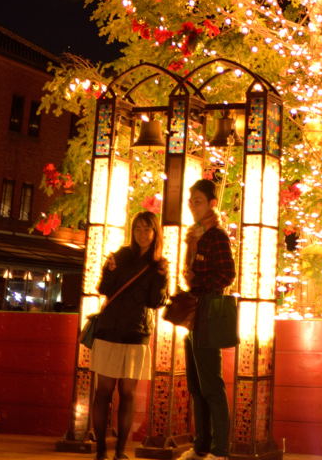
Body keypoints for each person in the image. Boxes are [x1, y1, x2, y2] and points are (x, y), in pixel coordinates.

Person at [90, 211, 167, 460]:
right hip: (110, 329)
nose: (142, 234)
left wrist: (162, 279)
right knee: (103, 391)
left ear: (155, 233)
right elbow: (104, 289)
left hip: (136, 333)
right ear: (132, 232)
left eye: (147, 229)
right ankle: (101, 449)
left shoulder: (158, 265)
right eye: (138, 229)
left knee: (128, 394)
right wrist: (109, 270)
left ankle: (121, 451)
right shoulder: (120, 255)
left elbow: (156, 302)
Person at [179, 178, 236, 460]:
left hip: (208, 312)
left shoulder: (216, 236)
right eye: (190, 200)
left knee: (211, 384)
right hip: (193, 313)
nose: (192, 205)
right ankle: (201, 446)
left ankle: (220, 450)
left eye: (198, 201)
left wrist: (197, 278)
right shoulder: (195, 235)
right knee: (195, 384)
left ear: (212, 204)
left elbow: (227, 275)